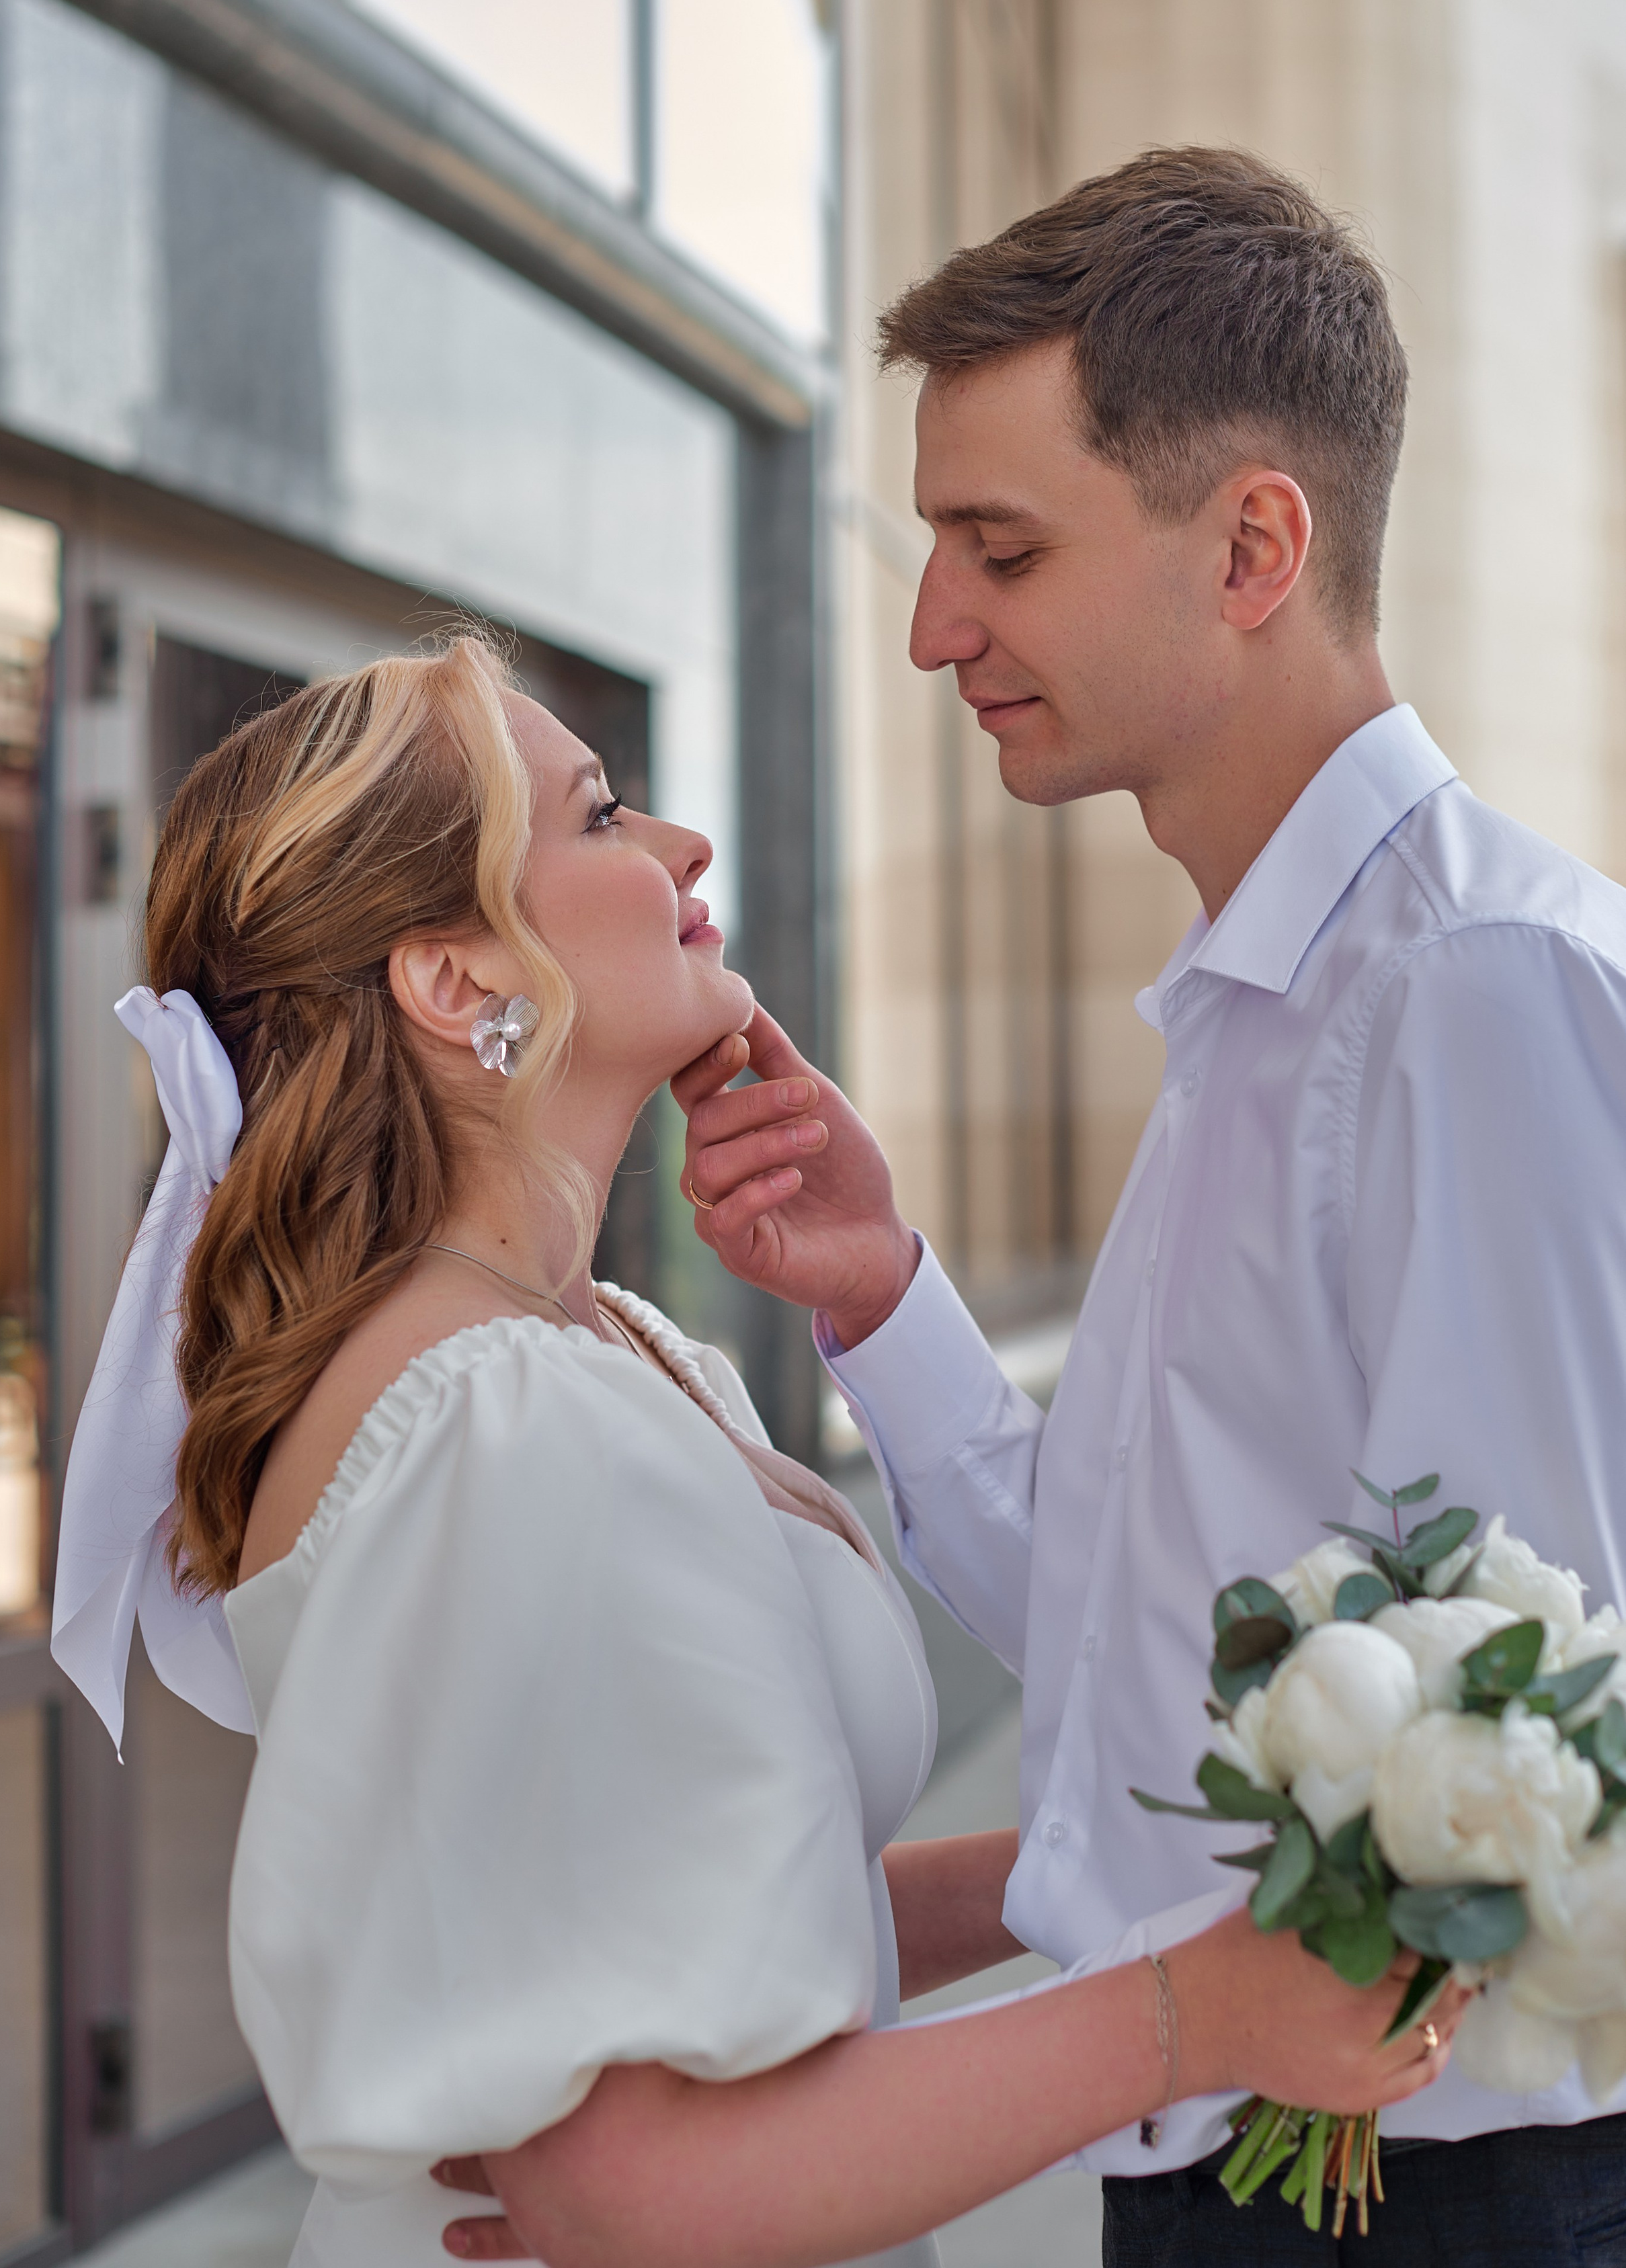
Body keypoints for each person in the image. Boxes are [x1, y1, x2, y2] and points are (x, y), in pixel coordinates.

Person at [48, 633, 1455, 2268]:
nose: (680, 848)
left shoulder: (614, 1352)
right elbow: (626, 2191)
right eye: (601, 817)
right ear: (456, 979)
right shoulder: (500, 1427)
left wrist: (1168, 1855)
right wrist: (1190, 2019)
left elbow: (756, 1915)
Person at [674, 144, 1626, 2261]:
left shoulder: (1464, 994)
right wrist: (883, 1294)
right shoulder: (1270, 1008)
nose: (936, 629)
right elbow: (1171, 1669)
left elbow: (1530, 1753)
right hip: (1256, 2167)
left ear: (1256, 544)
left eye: (997, 549)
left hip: (1418, 2195)